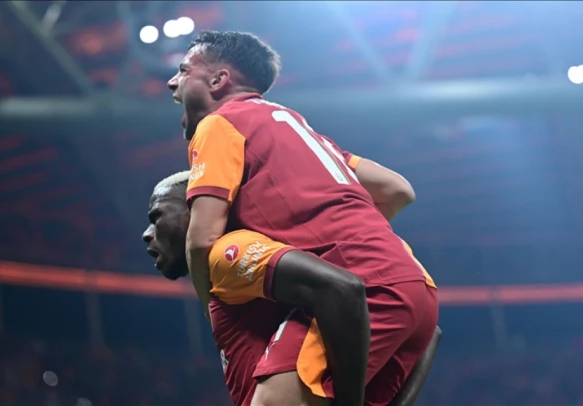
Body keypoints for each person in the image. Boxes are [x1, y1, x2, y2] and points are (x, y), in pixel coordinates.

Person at [167, 30, 438, 406]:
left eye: (183, 71)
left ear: (218, 81)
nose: (172, 82)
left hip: (359, 290)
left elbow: (202, 239)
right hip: (415, 291)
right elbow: (398, 190)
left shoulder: (220, 123)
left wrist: (214, 312)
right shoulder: (303, 131)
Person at [144, 170, 368, 406]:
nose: (146, 234)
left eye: (156, 217)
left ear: (195, 211)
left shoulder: (227, 253)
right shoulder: (221, 276)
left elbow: (342, 287)